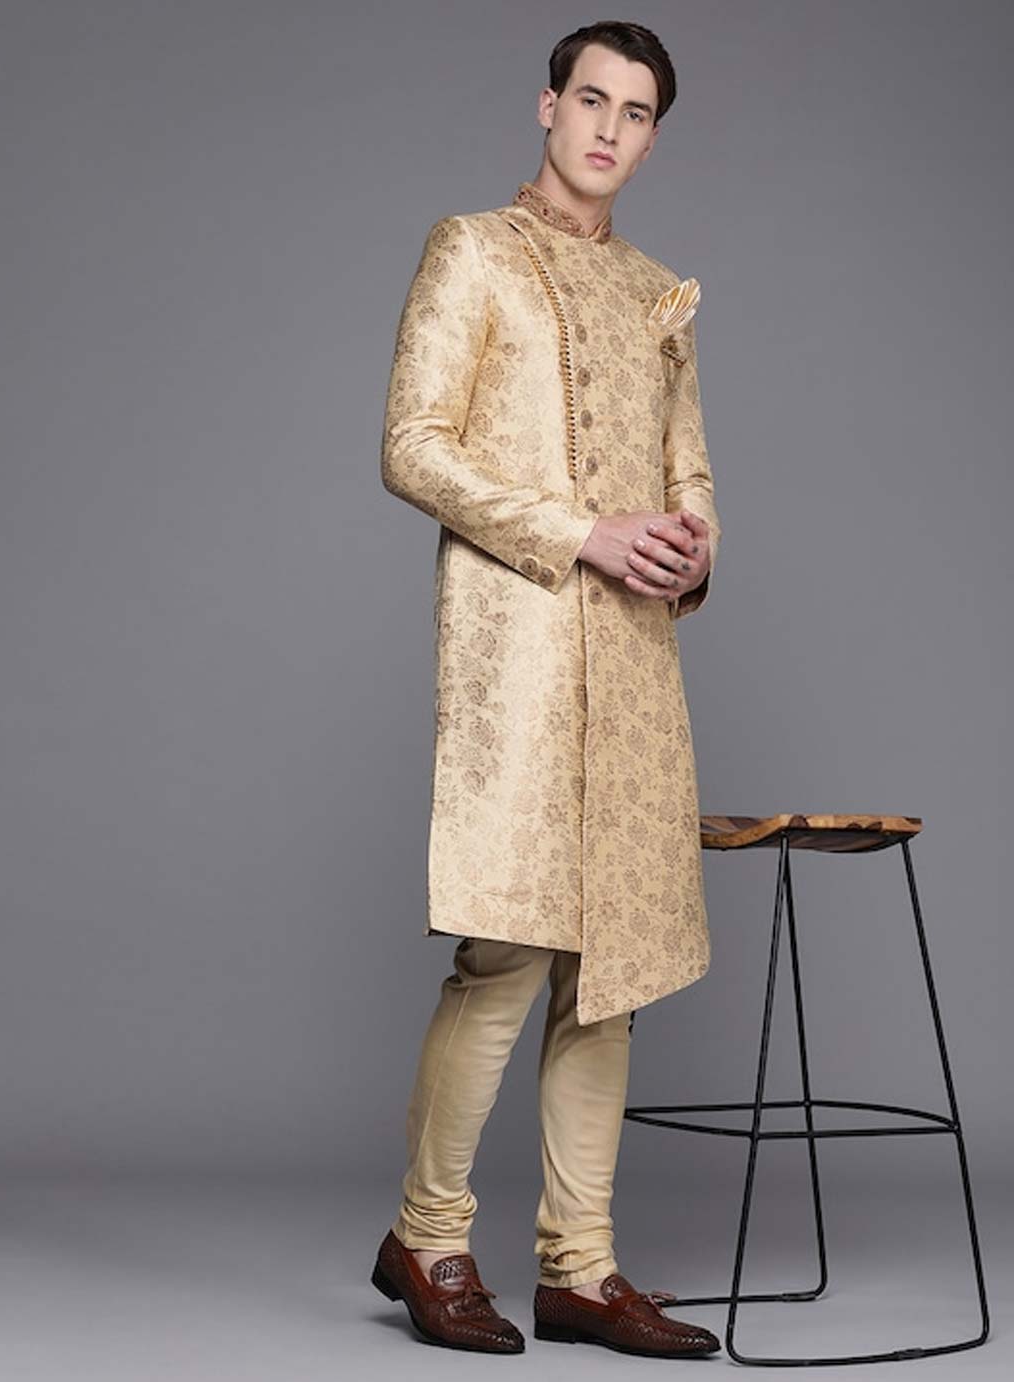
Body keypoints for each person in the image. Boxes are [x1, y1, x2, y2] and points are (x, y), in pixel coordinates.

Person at [371, 19, 723, 1358]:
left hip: (632, 657)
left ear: (651, 136)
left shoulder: (657, 292)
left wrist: (693, 544)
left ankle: (581, 1267)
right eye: (592, 99)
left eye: (636, 113)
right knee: (509, 946)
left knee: (609, 965)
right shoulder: (472, 250)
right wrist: (579, 532)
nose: (609, 129)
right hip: (516, 648)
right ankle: (428, 1235)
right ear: (547, 106)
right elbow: (412, 445)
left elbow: (690, 470)